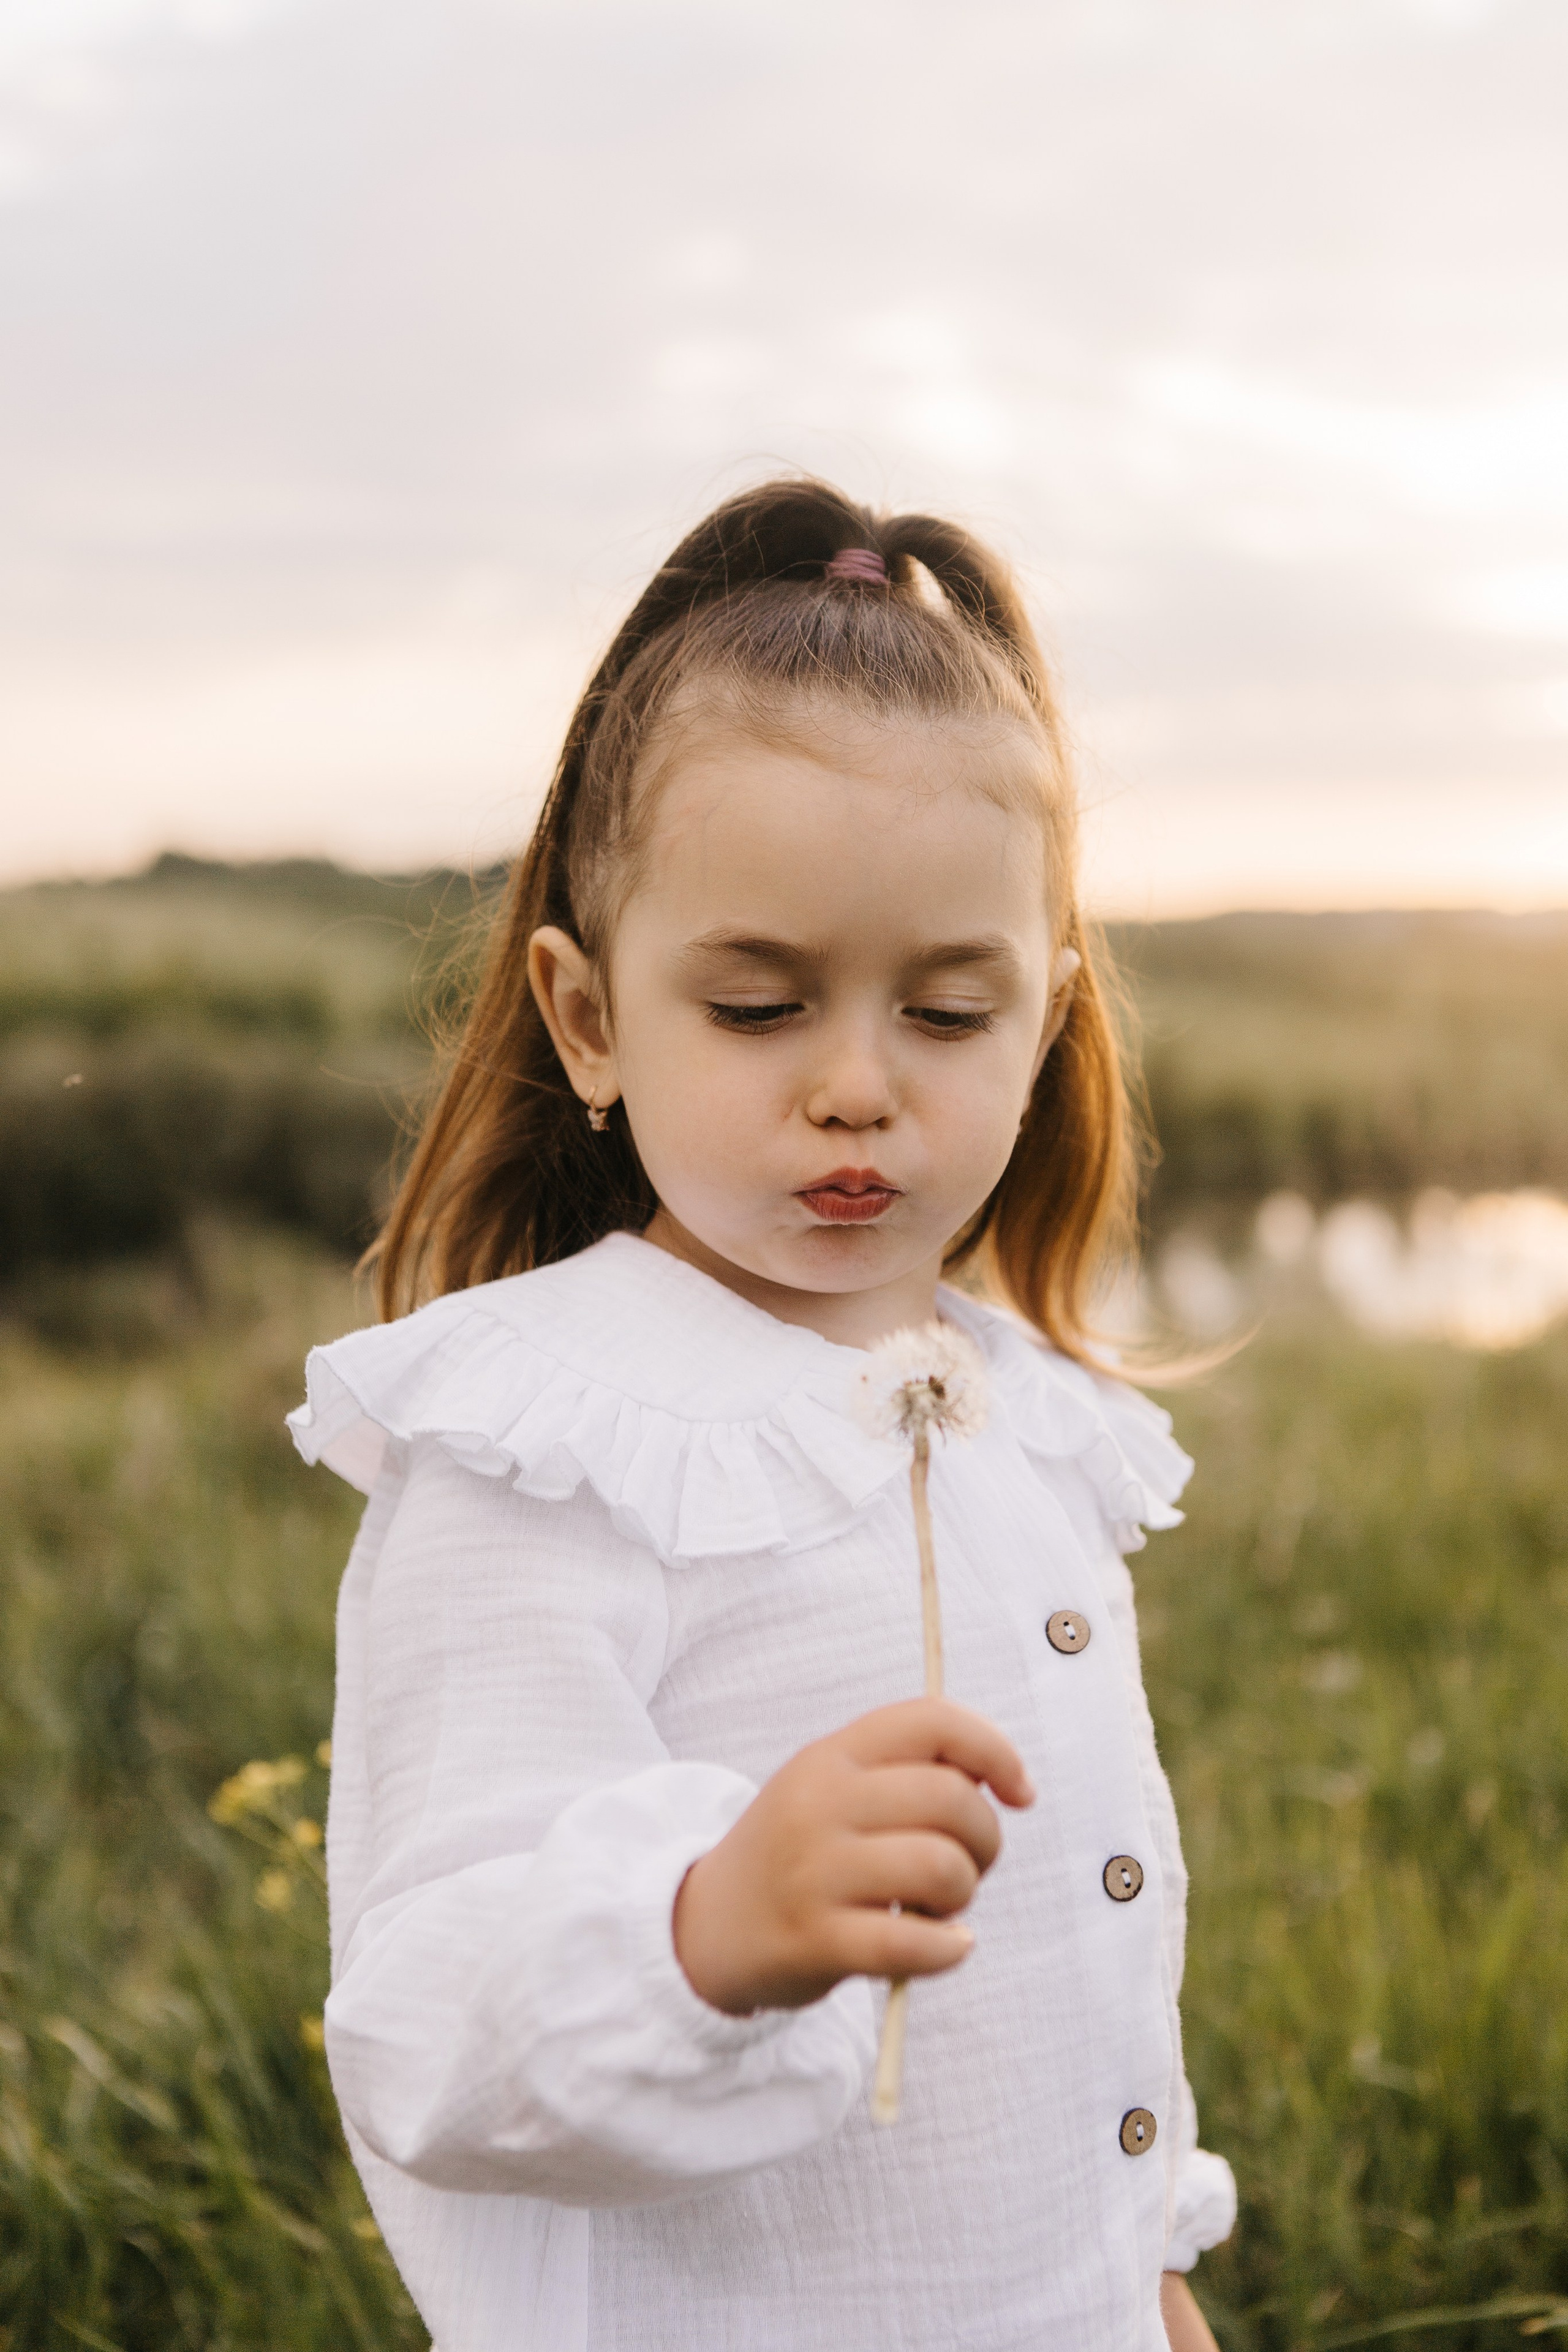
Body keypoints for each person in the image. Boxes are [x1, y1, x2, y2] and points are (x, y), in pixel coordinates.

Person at [288, 479, 1237, 2351]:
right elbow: (423, 2027)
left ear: (1045, 1026)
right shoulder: (544, 1446)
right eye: (757, 1004)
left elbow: (1076, 1972)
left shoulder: (1022, 1416)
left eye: (950, 1016)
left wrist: (1146, 2270)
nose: (857, 1089)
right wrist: (703, 1925)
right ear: (588, 1018)